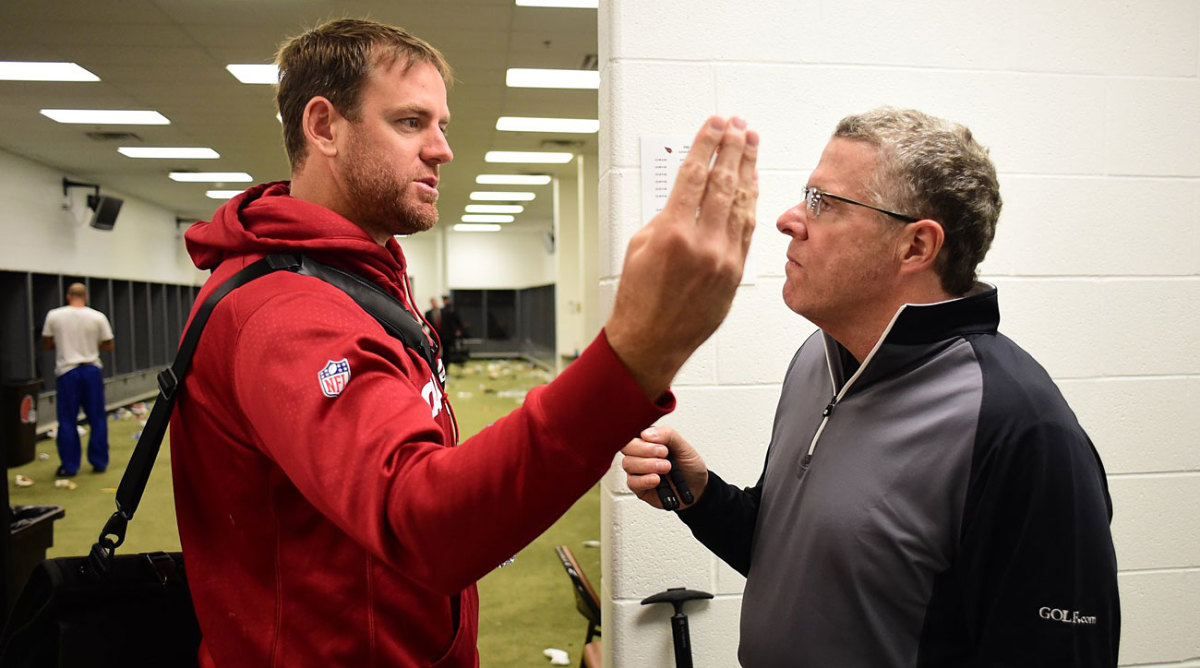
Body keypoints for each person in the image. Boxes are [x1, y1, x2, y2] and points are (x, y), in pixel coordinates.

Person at [170, 18, 758, 668]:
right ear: (324, 126)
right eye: (411, 122)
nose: (442, 148)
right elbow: (424, 522)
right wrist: (636, 356)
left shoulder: (358, 277)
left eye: (441, 124)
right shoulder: (287, 313)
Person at [622, 107, 1120, 667]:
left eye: (824, 203)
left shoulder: (1020, 428)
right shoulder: (819, 358)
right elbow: (793, 557)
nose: (789, 219)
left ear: (915, 247)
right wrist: (703, 497)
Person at [41, 282, 114, 476]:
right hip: (91, 370)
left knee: (67, 420)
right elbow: (109, 344)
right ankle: (99, 462)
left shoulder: (54, 316)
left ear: (68, 296)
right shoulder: (97, 317)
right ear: (86, 296)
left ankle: (70, 466)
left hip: (67, 371)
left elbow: (46, 343)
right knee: (97, 418)